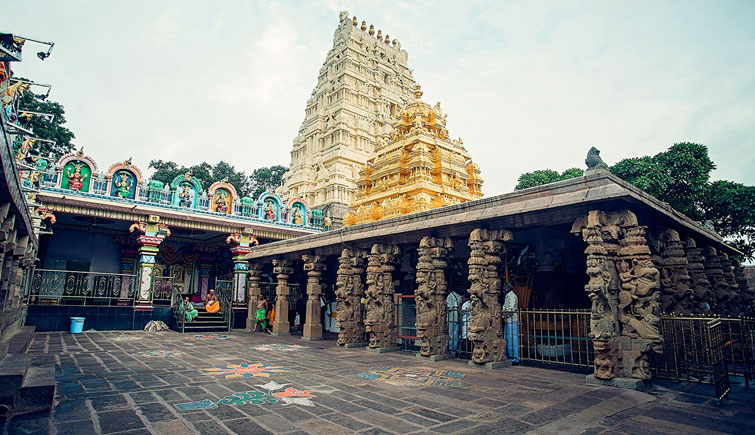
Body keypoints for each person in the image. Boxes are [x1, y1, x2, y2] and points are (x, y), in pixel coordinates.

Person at [502, 282, 519, 362]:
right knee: (508, 339)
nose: (504, 288)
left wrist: (504, 314)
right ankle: (509, 356)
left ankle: (514, 357)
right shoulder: (508, 296)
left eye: (505, 286)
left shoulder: (512, 296)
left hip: (512, 320)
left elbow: (511, 309)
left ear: (509, 287)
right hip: (508, 320)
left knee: (512, 339)